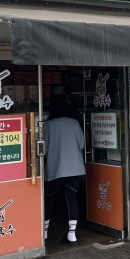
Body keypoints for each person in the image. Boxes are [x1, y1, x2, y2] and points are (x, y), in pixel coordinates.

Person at [43, 95, 86, 244]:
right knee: (71, 198)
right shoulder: (74, 123)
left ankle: (44, 233)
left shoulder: (48, 125)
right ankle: (72, 234)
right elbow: (81, 144)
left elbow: (44, 150)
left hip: (55, 168)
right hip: (75, 168)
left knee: (49, 199)